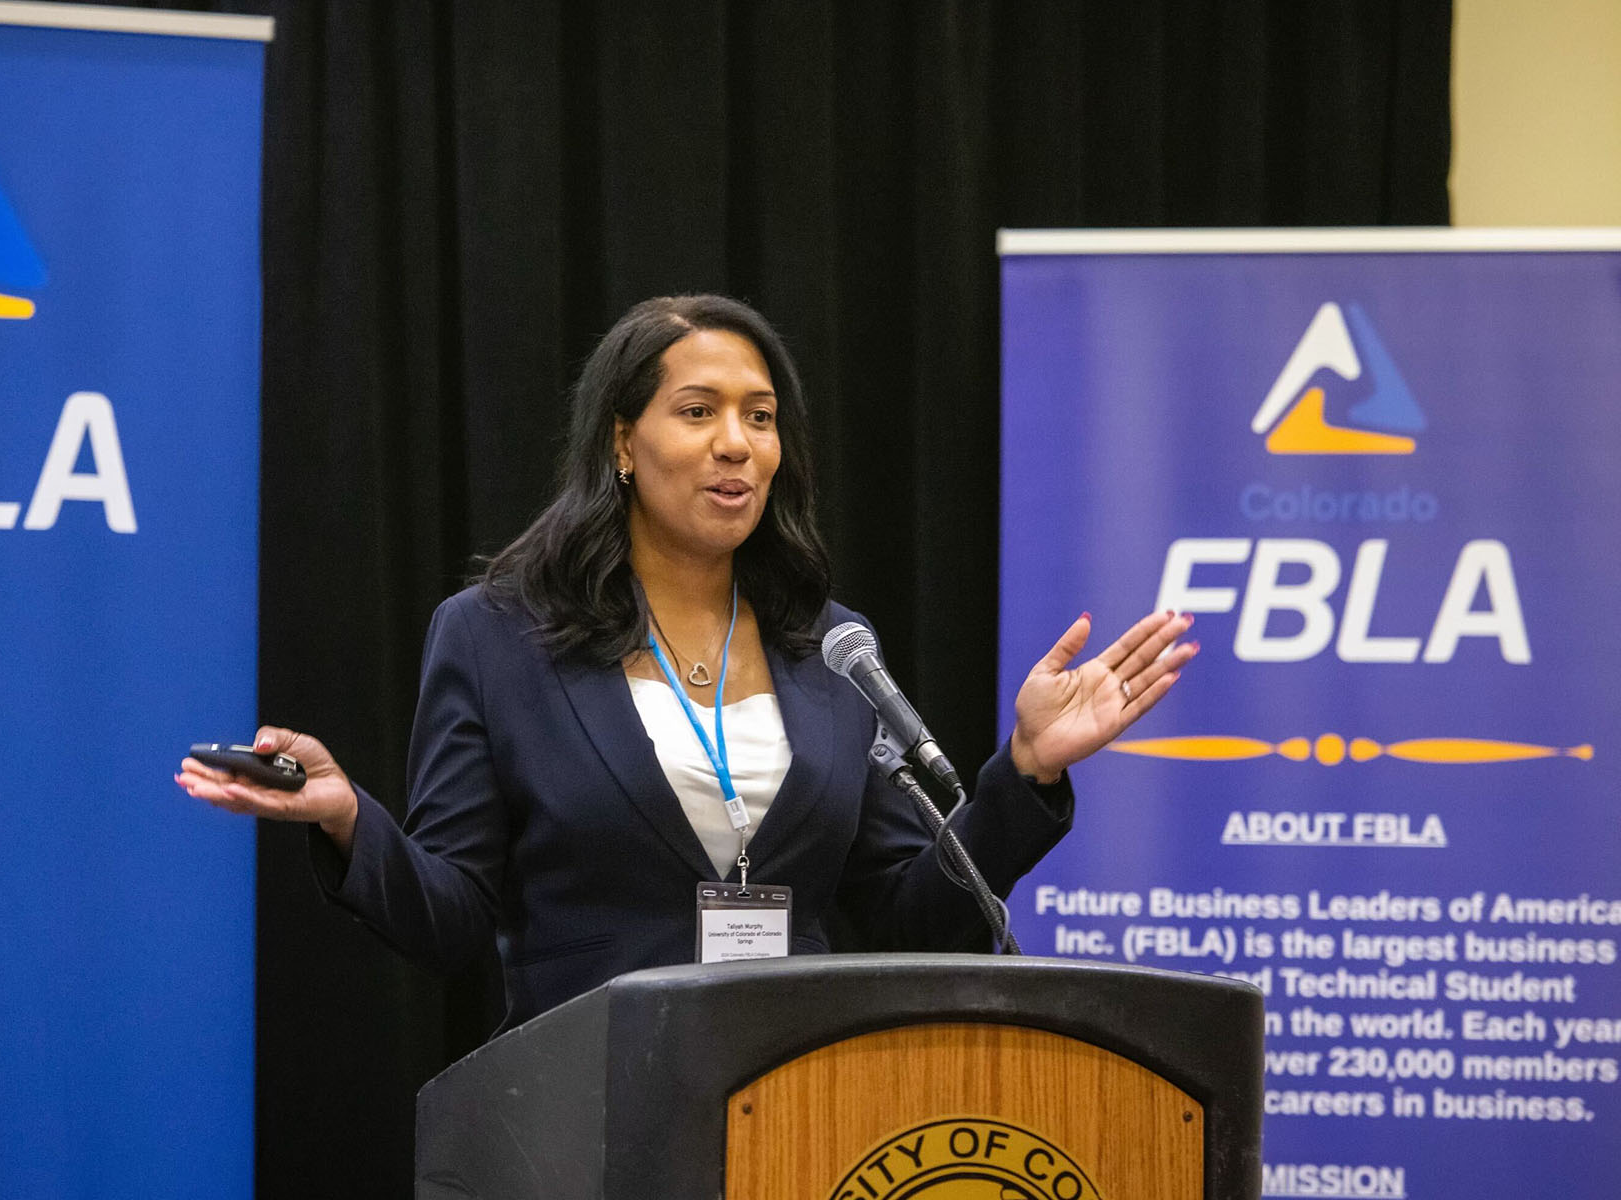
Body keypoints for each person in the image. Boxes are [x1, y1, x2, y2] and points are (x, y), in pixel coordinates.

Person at [177, 294, 1196, 1031]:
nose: (738, 444)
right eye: (699, 411)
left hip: (806, 1105)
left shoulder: (829, 646)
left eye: (760, 417)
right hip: (590, 1109)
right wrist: (351, 817)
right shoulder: (494, 637)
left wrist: (1025, 772)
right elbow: (452, 922)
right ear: (623, 443)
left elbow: (910, 912)